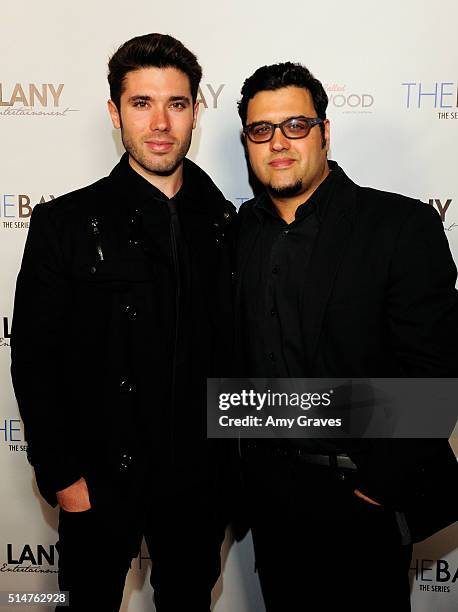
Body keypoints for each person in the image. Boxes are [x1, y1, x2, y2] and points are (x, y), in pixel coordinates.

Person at [11, 33, 235, 611]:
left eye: (176, 104)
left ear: (194, 112)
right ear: (115, 112)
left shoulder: (224, 223)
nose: (160, 122)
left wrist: (228, 475)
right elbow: (34, 357)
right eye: (142, 103)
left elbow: (236, 351)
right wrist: (62, 475)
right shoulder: (65, 221)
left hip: (196, 484)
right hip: (98, 479)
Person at [234, 62, 458, 611]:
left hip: (363, 500)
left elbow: (435, 373)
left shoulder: (400, 227)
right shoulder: (239, 232)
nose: (279, 143)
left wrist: (380, 486)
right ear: (247, 142)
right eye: (262, 130)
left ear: (325, 132)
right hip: (272, 504)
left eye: (296, 125)